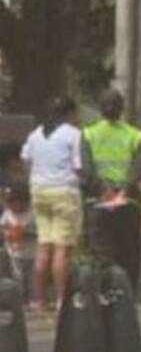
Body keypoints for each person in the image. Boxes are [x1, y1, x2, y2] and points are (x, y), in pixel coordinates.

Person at [21, 96, 84, 314]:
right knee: (62, 250)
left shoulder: (35, 134)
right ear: (69, 114)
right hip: (64, 192)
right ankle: (61, 300)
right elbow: (78, 166)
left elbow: (26, 161)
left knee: (43, 246)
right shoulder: (73, 135)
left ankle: (38, 299)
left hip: (39, 192)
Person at [82, 88, 141, 289]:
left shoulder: (89, 134)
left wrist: (104, 189)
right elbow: (138, 168)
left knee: (101, 252)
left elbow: (86, 169)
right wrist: (124, 190)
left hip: (99, 201)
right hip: (127, 201)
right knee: (128, 252)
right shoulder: (135, 135)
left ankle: (102, 294)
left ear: (100, 109)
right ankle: (126, 297)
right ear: (122, 109)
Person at [2, 184, 37, 304]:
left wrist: (26, 233)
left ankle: (33, 298)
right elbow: (3, 226)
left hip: (32, 253)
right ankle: (20, 299)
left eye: (18, 203)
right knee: (18, 277)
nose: (14, 207)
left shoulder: (32, 214)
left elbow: (39, 232)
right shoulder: (8, 213)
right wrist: (7, 233)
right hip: (15, 252)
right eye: (11, 204)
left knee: (32, 277)